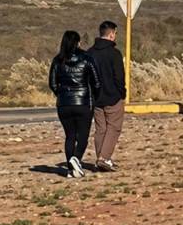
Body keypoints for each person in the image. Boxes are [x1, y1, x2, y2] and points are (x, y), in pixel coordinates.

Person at [48, 30, 100, 178]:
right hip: (83, 102)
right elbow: (96, 82)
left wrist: (62, 94)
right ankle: (75, 159)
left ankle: (71, 169)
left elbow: (52, 83)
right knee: (83, 136)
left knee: (69, 136)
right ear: (78, 42)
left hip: (64, 104)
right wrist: (94, 96)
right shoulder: (87, 58)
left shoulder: (58, 60)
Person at [87, 21, 126, 172]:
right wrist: (122, 93)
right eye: (115, 33)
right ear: (111, 34)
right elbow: (119, 77)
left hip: (96, 97)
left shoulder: (90, 53)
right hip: (112, 96)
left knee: (101, 128)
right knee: (114, 127)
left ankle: (102, 159)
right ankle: (104, 158)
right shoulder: (114, 54)